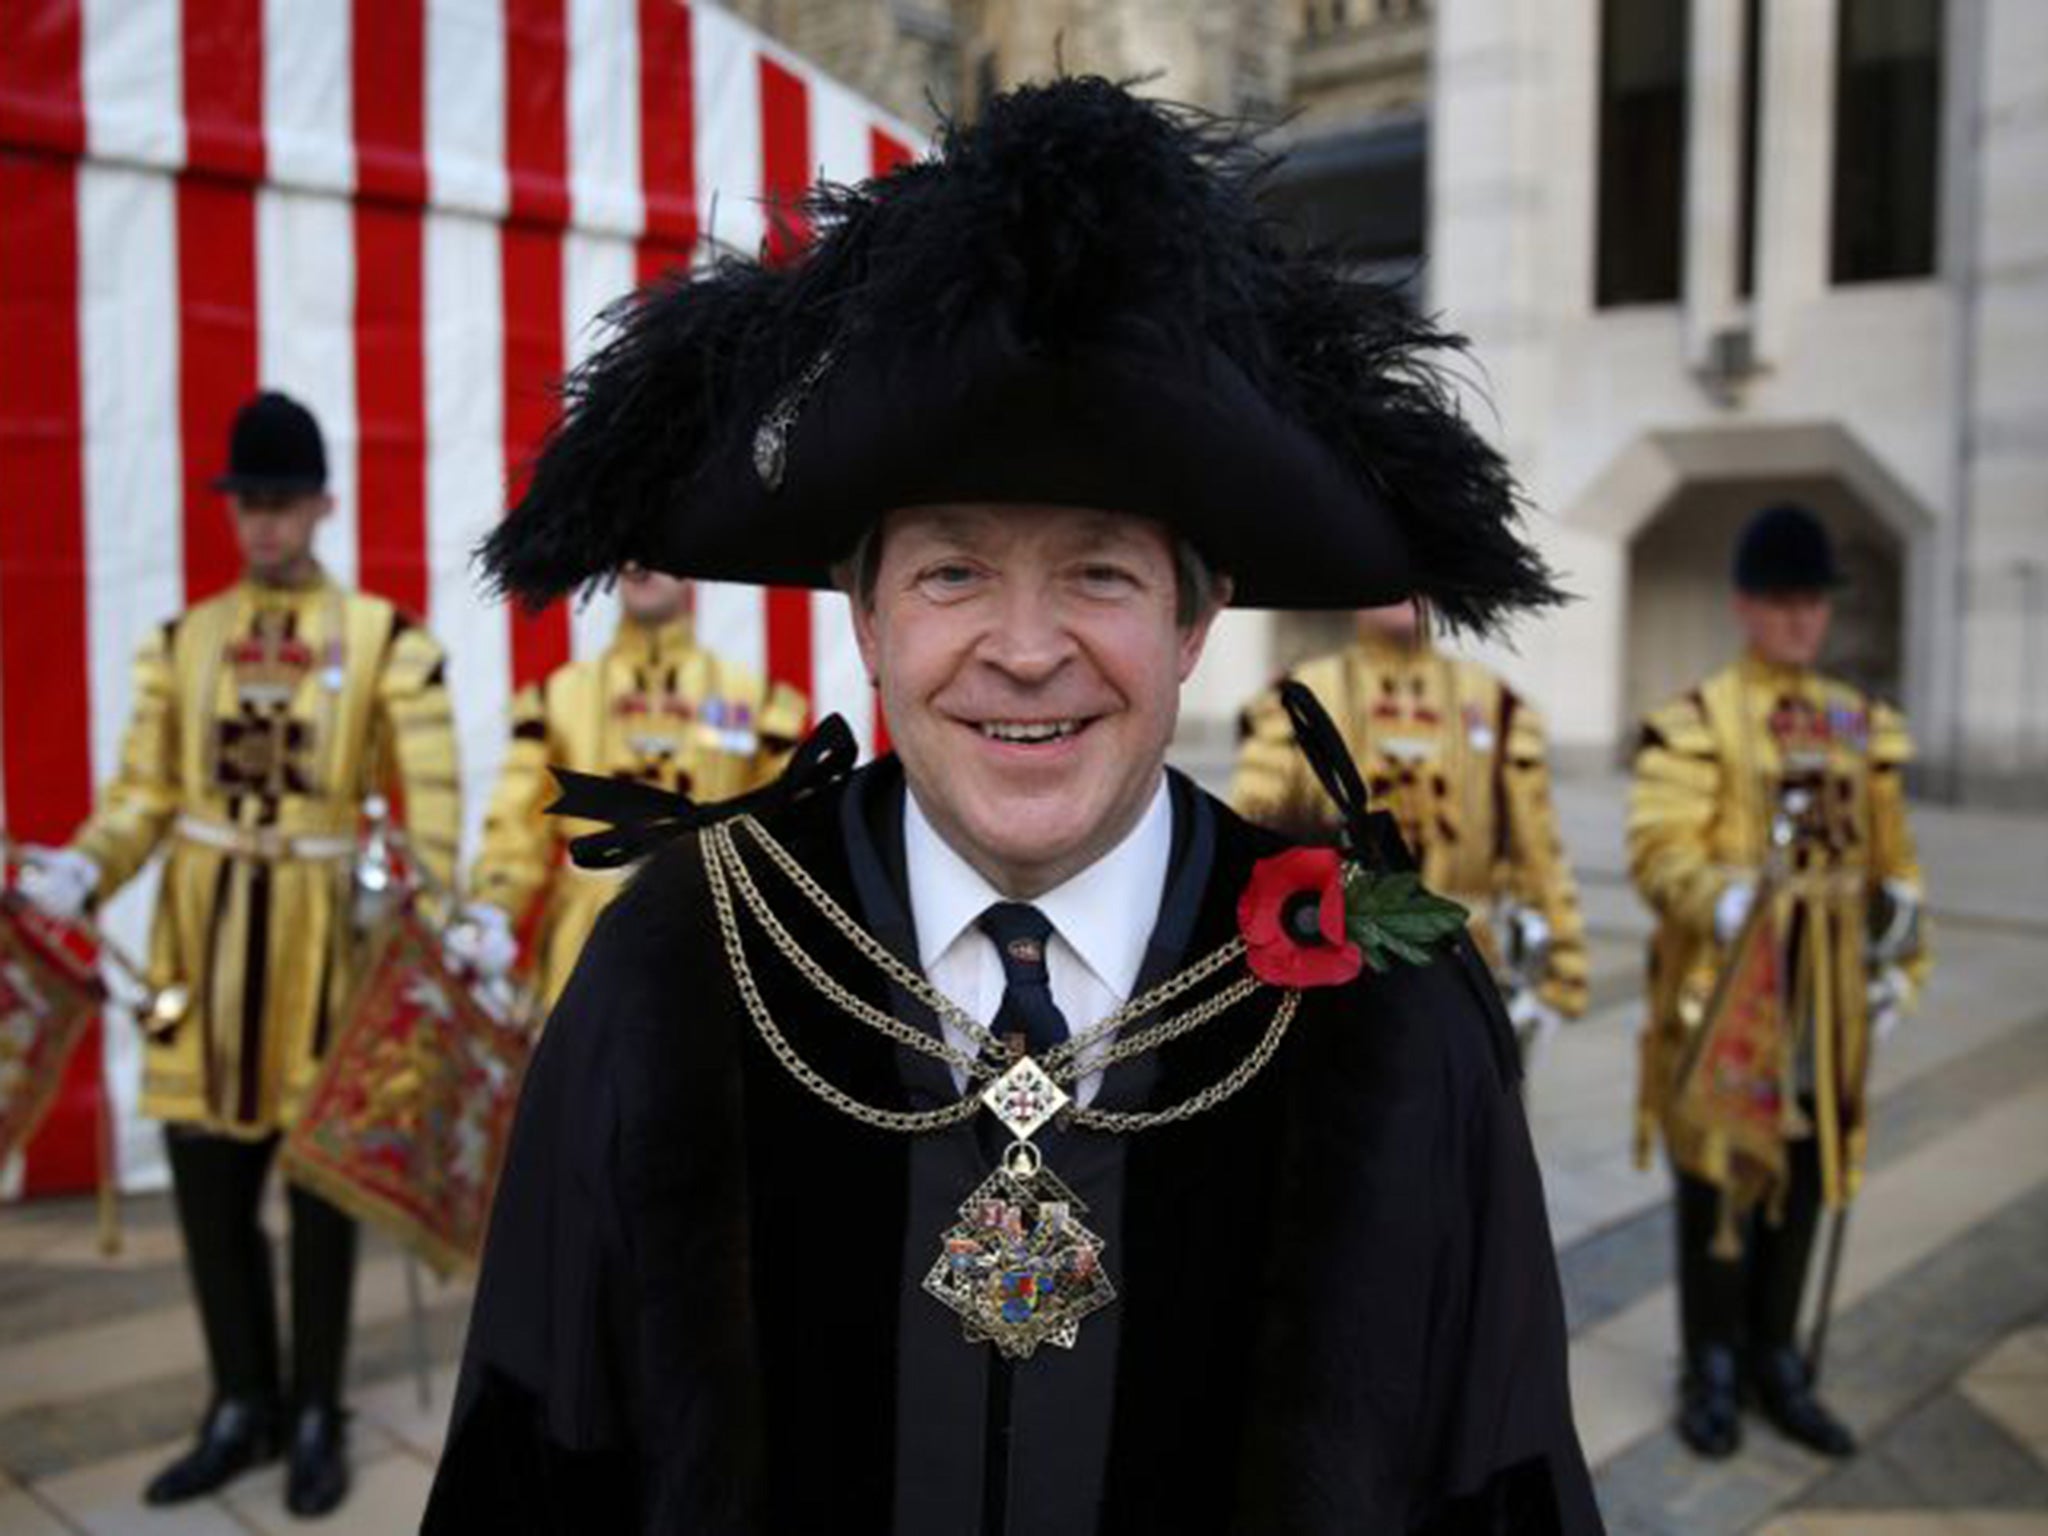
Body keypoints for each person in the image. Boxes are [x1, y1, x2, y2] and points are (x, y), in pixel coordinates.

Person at [424, 79, 1600, 1534]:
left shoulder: (1382, 1016)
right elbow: (533, 1475)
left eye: (1099, 571)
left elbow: (1500, 1494)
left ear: (1194, 617)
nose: (1027, 648)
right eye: (953, 572)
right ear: (864, 616)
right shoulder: (685, 969)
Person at [17, 391, 460, 1516]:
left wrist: (442, 899)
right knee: (208, 1188)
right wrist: (85, 866)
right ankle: (238, 1400)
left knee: (320, 1188)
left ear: (321, 504)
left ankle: (316, 1405)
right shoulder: (184, 643)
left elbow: (431, 799)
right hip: (199, 956)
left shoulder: (383, 642)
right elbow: (143, 794)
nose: (261, 525)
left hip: (324, 948)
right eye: (245, 505)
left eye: (280, 503)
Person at [1629, 503, 1930, 1461]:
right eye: (1786, 601)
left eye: (1815, 603)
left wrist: (1896, 958)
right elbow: (1659, 846)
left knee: (1807, 1174)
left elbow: (1896, 863)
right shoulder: (1701, 719)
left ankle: (1777, 1355)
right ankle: (1709, 1360)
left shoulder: (1858, 723)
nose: (1805, 620)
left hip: (1830, 1004)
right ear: (1746, 606)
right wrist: (1725, 904)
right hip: (1727, 1001)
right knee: (1718, 1180)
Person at [1233, 600, 1589, 1062]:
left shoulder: (1493, 701)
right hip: (1332, 993)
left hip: (1470, 982)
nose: (1402, 591)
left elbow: (1539, 850)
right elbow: (1251, 840)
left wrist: (1563, 974)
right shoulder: (1302, 693)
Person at [449, 566, 807, 1008]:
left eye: (658, 549)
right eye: (629, 551)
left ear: (691, 564)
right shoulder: (560, 697)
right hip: (581, 950)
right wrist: (495, 908)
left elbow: (790, 829)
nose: (640, 564)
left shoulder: (753, 701)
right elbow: (516, 824)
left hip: (707, 943)